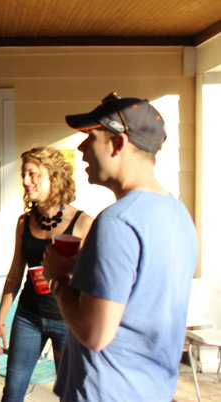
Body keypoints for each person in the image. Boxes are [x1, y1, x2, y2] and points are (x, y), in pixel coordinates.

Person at [43, 93, 198, 401]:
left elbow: (95, 334)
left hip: (106, 393)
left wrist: (58, 277)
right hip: (152, 390)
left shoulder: (117, 221)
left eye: (91, 138)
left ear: (118, 143)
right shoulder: (178, 213)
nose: (81, 149)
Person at [0, 146, 93, 401]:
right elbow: (15, 274)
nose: (26, 181)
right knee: (12, 393)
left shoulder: (83, 223)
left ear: (54, 176)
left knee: (71, 394)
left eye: (33, 174)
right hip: (28, 317)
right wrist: (0, 320)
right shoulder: (24, 222)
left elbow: (94, 280)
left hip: (67, 320)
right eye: (24, 175)